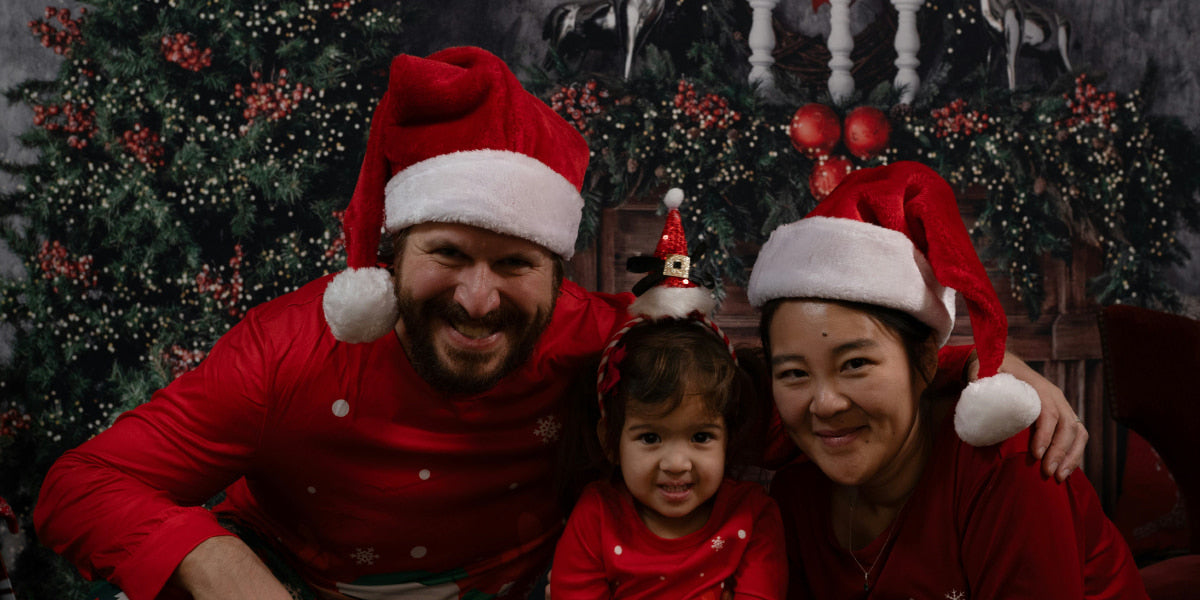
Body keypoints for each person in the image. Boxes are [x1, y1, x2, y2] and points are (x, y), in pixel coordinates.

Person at [33, 47, 1085, 600]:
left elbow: (805, 412)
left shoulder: (605, 347)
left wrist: (976, 376)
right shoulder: (290, 350)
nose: (480, 297)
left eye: (513, 265)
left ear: (556, 267)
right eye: (447, 255)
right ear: (390, 259)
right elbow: (83, 483)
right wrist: (217, 569)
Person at [748, 161, 1147, 599]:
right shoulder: (797, 491)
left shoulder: (1010, 465)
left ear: (923, 359)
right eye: (794, 373)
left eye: (855, 364)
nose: (824, 404)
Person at [550, 191, 786, 599]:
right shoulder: (597, 517)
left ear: (727, 437)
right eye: (650, 437)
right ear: (611, 441)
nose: (677, 464)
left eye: (701, 437)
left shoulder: (751, 516)